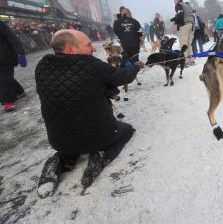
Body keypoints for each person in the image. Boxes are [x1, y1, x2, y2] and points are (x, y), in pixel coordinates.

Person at [35, 29, 144, 197]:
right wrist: (136, 66)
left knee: (70, 142)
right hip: (98, 137)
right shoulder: (92, 65)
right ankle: (101, 155)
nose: (93, 49)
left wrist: (104, 88)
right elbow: (123, 76)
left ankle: (59, 160)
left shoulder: (42, 67)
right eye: (88, 45)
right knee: (126, 129)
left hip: (59, 141)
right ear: (70, 49)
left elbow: (74, 85)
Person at [0, 21, 27, 112]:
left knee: (4, 78)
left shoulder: (1, 25)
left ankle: (7, 101)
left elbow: (13, 39)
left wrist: (20, 53)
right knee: (5, 77)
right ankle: (19, 91)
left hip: (5, 57)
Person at [170, 0, 195, 65]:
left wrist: (174, 19)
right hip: (191, 24)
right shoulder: (187, 5)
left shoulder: (178, 5)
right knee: (189, 44)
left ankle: (185, 61)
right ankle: (191, 60)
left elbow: (180, 14)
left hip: (185, 25)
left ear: (177, 0)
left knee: (183, 43)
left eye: (174, 0)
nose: (174, 2)